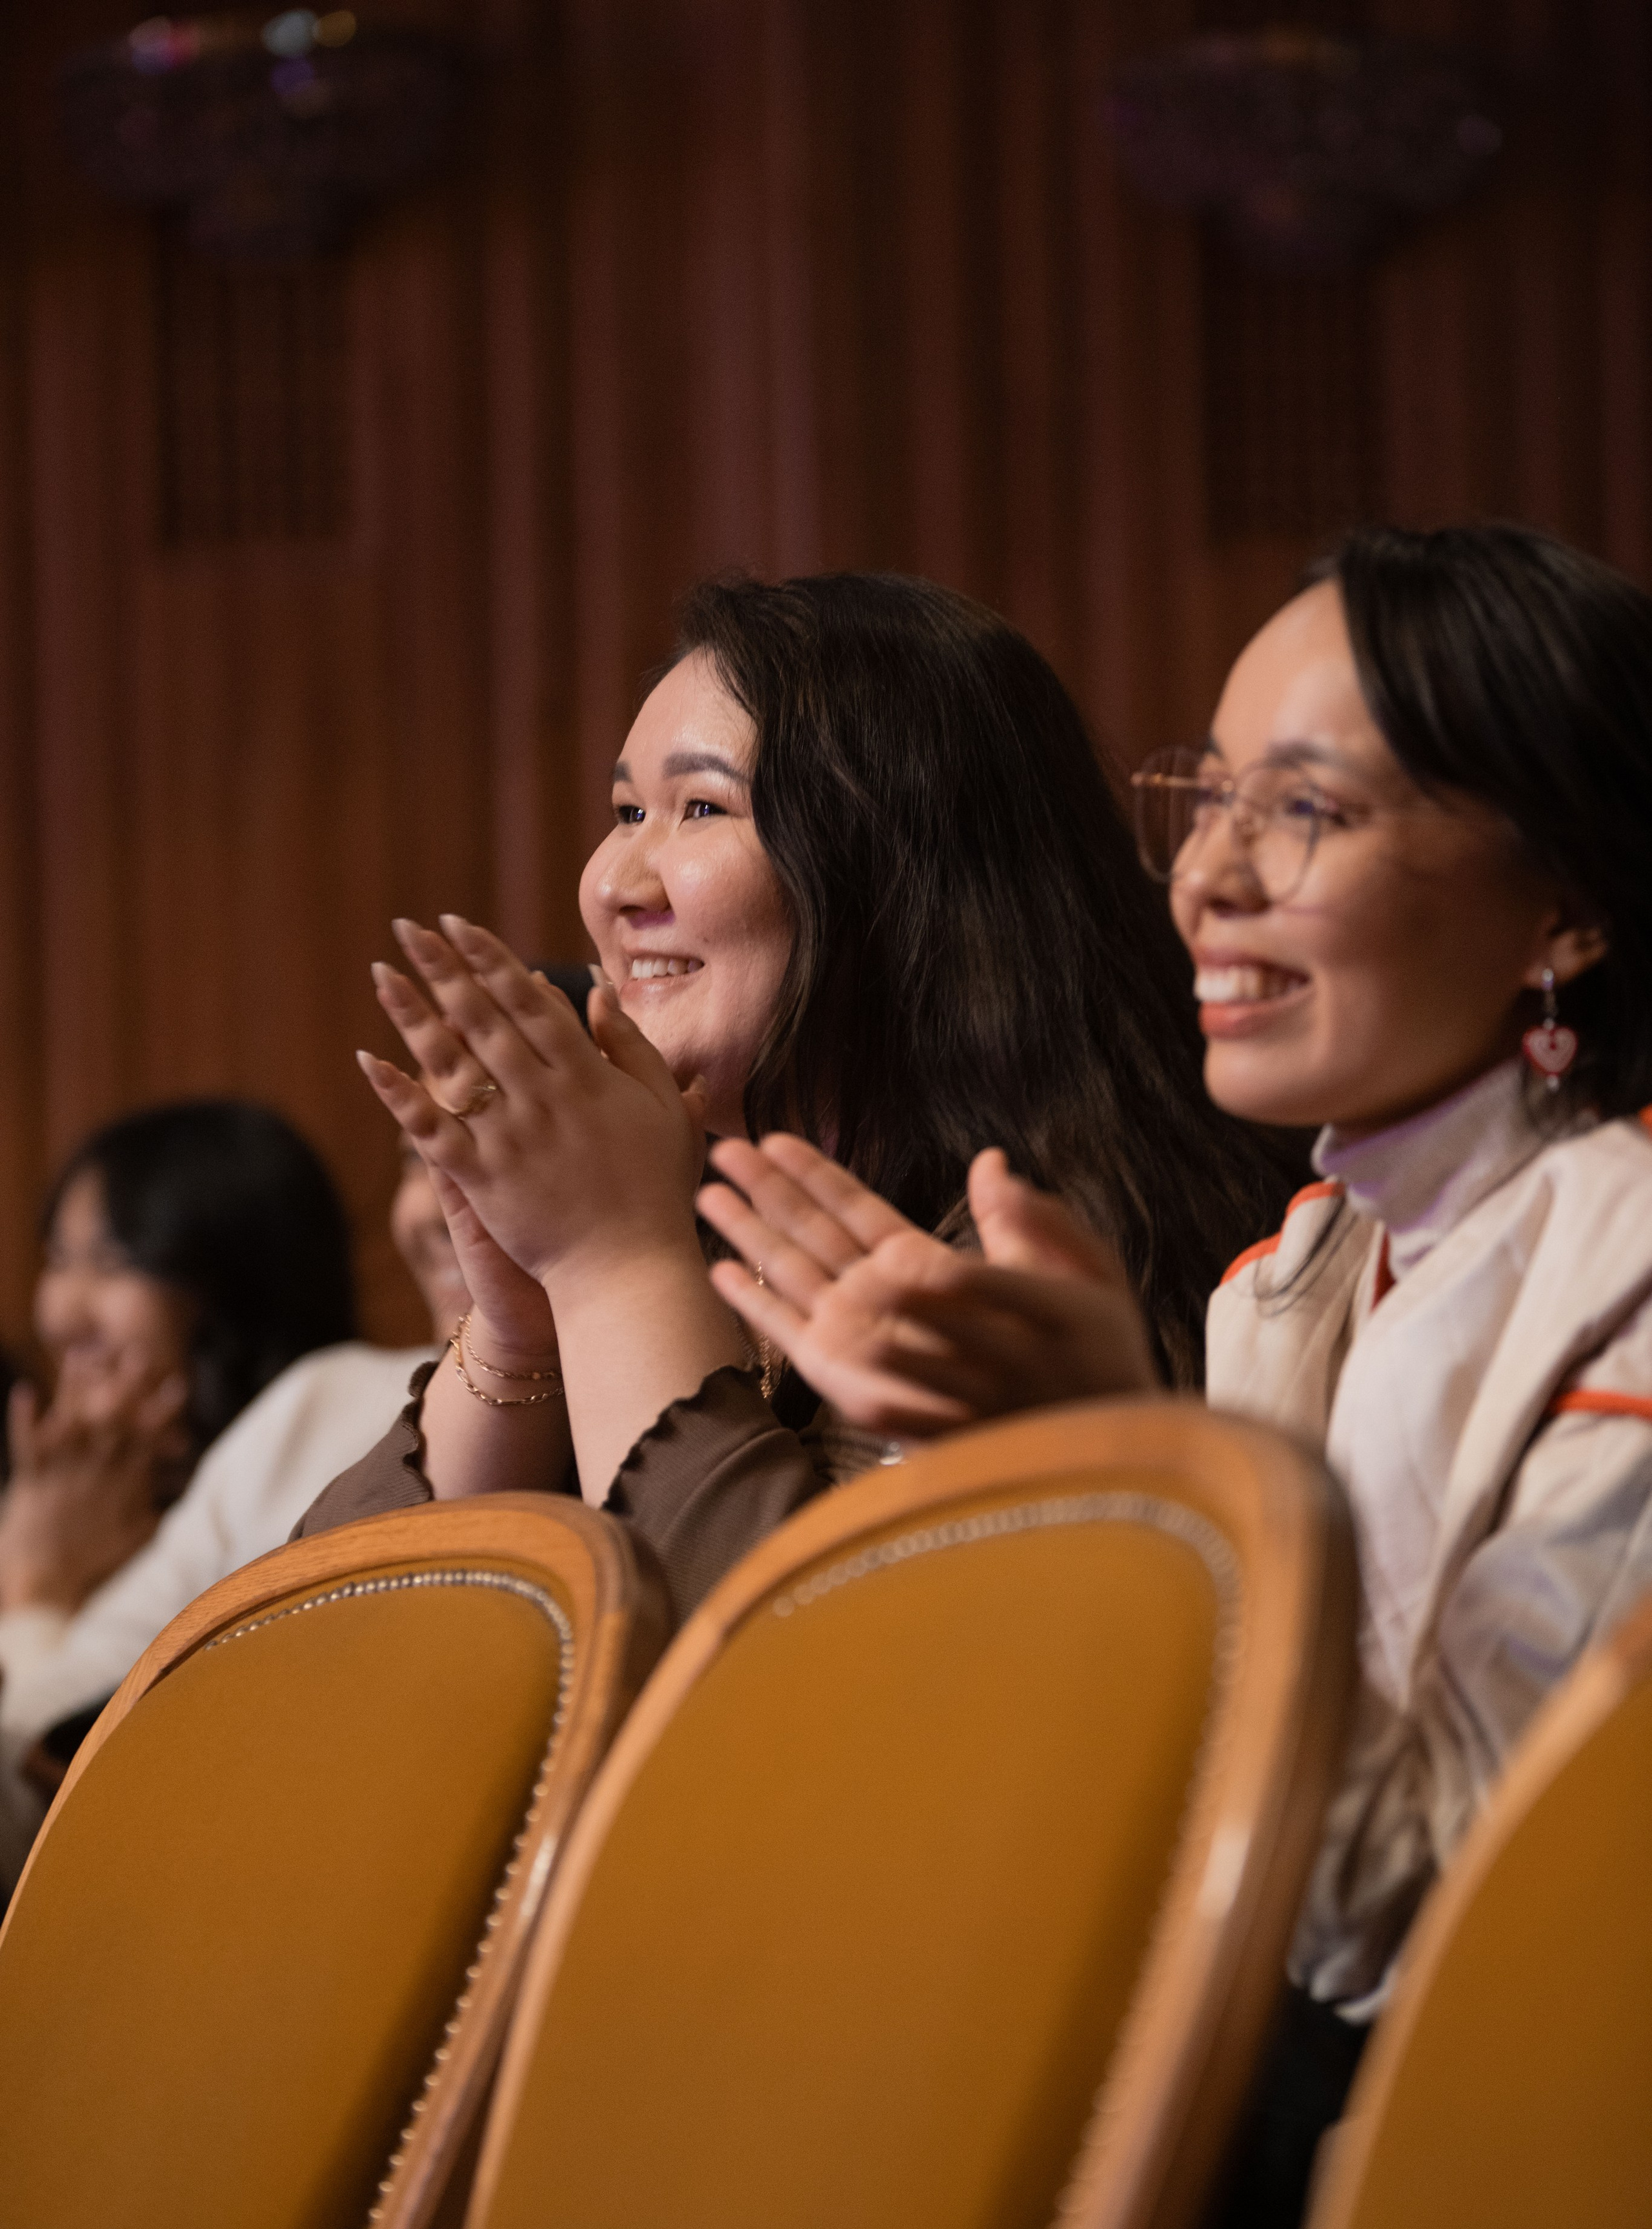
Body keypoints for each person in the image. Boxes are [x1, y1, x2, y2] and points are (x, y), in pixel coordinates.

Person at [698, 523, 1652, 2229]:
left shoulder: (1625, 1252)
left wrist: (1135, 1472)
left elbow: (1430, 1939)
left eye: (1302, 809)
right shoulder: (1284, 1269)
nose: (1203, 877)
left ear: (1561, 896)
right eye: (1207, 795)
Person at [301, 572, 1302, 1614]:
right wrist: (521, 1333)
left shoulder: (1048, 1233)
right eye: (626, 809)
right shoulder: (690, 1211)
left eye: (699, 808)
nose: (612, 882)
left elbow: (796, 1684)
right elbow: (317, 1659)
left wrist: (612, 1268)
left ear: (899, 871)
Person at [0, 1099, 374, 1886]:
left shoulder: (330, 1440)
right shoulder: (58, 1489)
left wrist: (34, 1591)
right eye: (58, 1260)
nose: (61, 1314)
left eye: (112, 1263)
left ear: (235, 1280)